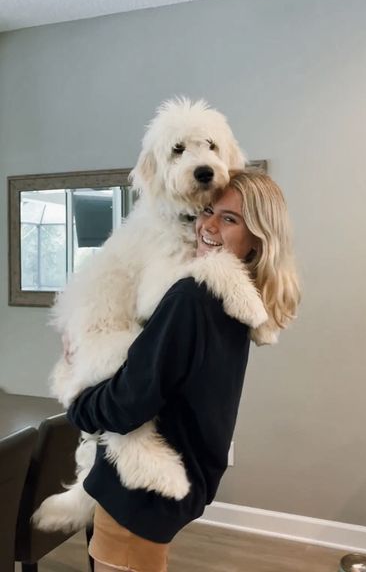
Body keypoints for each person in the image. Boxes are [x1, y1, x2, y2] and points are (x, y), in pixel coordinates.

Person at [66, 171, 301, 572]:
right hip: (179, 483)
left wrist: (78, 400)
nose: (208, 226)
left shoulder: (192, 297)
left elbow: (128, 403)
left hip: (135, 494)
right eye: (207, 211)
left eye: (229, 219)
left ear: (258, 237)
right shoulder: (236, 300)